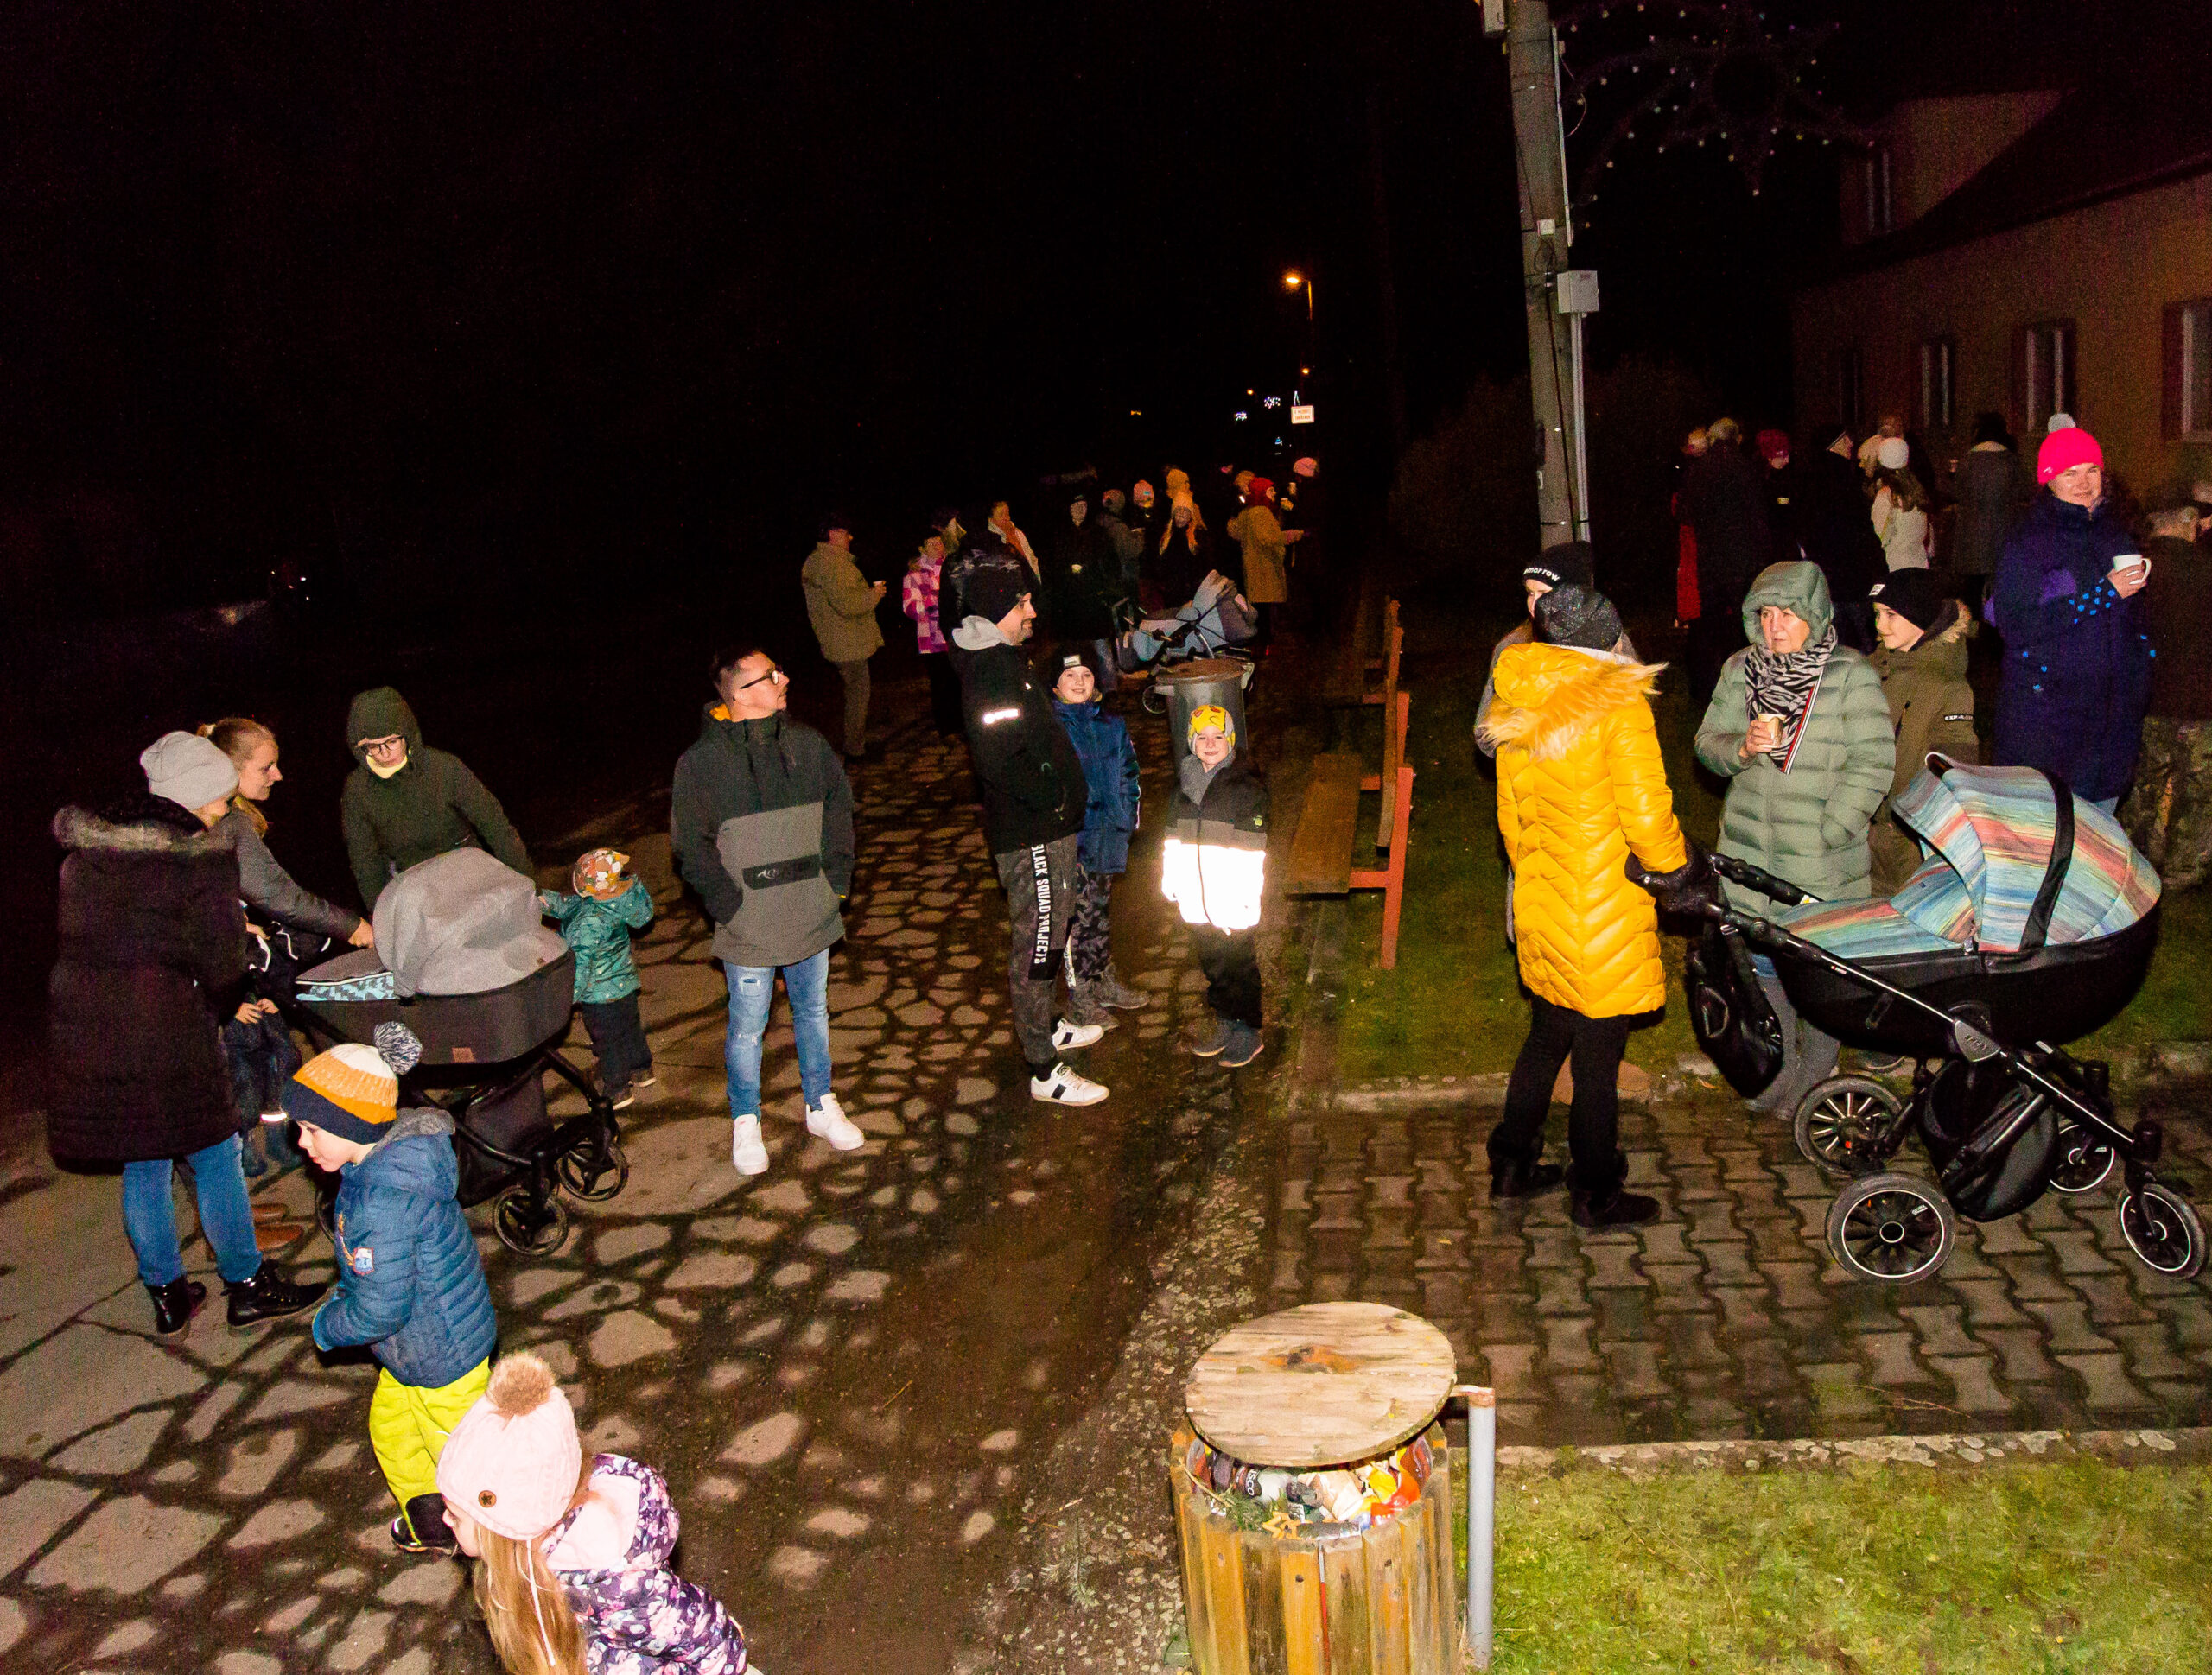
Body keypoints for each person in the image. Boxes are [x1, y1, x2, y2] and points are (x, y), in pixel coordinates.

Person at [48, 732, 327, 1336]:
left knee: (144, 1161)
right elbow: (222, 969)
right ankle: (247, 1285)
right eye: (220, 798)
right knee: (216, 1152)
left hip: (93, 1034)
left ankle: (169, 1295)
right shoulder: (196, 863)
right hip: (166, 1033)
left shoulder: (85, 860)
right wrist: (244, 942)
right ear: (196, 795)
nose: (225, 810)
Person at [1479, 586, 1694, 1228]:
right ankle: (1597, 1191)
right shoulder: (1617, 705)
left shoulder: (1519, 696)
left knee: (1547, 1036)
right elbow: (1646, 813)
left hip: (1545, 893)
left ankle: (1512, 1166)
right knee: (1598, 1058)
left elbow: (1511, 817)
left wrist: (1536, 872)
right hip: (1603, 903)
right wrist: (1676, 869)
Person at [281, 1024, 497, 1555]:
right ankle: (433, 1522)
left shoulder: (383, 1200)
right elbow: (379, 1276)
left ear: (352, 1124)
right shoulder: (376, 1169)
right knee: (394, 1429)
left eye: (311, 1129)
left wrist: (328, 1324)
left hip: (441, 1358)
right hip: (414, 1349)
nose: (302, 1143)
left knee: (468, 1464)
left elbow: (380, 1308)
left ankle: (504, 1546)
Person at [1695, 562, 1894, 1117]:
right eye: (1765, 614)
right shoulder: (1741, 669)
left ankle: (1815, 1072)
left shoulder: (1850, 675)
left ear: (1815, 615)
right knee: (1763, 967)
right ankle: (1782, 1069)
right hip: (1750, 853)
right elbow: (1706, 743)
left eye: (1787, 614)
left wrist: (1832, 831)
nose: (1775, 626)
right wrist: (1740, 747)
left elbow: (1874, 762)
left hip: (1819, 859)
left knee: (1816, 972)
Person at [671, 645, 868, 1176]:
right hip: (750, 924)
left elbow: (840, 813)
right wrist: (730, 907)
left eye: (778, 670)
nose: (784, 679)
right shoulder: (701, 763)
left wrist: (835, 887)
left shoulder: (807, 743)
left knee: (813, 1013)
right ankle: (746, 1118)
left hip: (810, 909)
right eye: (770, 675)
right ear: (738, 694)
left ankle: (820, 1104)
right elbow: (691, 848)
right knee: (747, 1027)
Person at [435, 1352, 751, 1675]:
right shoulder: (529, 1556)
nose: (444, 1519)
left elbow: (713, 1643)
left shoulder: (616, 1587)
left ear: (502, 1528)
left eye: (456, 1515)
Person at [950, 555, 1110, 1106]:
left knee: (1053, 932)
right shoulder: (990, 671)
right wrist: (1053, 797)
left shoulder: (1005, 659)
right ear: (999, 609)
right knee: (1038, 945)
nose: (1032, 611)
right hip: (1031, 834)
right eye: (1023, 603)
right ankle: (1044, 1069)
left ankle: (1048, 1026)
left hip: (1046, 828)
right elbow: (999, 759)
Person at [201, 717, 375, 1185]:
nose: (278, 776)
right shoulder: (226, 823)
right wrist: (352, 926)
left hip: (231, 972)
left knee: (275, 1058)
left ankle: (276, 1149)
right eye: (266, 767)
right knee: (231, 1080)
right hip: (208, 983)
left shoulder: (230, 820)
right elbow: (281, 896)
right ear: (229, 771)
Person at [1991, 426, 2152, 815]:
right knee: (2051, 834)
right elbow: (2015, 626)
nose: (2084, 482)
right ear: (2048, 480)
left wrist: (2142, 665)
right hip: (2050, 721)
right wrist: (2103, 594)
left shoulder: (2116, 533)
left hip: (2111, 723)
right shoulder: (2028, 541)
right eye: (2070, 473)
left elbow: (2132, 623)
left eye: (2092, 470)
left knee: (2098, 833)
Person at [341, 688, 533, 913]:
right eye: (373, 746)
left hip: (465, 866)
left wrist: (528, 883)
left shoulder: (444, 768)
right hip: (412, 883)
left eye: (391, 741)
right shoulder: (357, 790)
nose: (384, 753)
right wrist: (380, 914)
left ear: (406, 734)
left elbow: (495, 825)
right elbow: (365, 861)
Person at [1161, 704, 1268, 1068]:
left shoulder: (1246, 788)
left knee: (1239, 965)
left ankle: (1248, 1028)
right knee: (1213, 963)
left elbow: (1253, 852)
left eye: (1218, 736)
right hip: (1196, 897)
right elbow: (1172, 839)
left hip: (1231, 899)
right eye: (1202, 738)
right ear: (1191, 743)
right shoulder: (1183, 786)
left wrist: (1246, 897)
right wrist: (1171, 878)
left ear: (1231, 741)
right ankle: (1225, 1019)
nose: (1210, 744)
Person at [2120, 485, 2212, 890]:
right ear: (2190, 522)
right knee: (2199, 794)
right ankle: (2182, 869)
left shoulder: (2132, 573)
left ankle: (2124, 858)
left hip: (2147, 698)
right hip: (2199, 703)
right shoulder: (2205, 570)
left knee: (2142, 785)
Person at [1866, 570, 1980, 896]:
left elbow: (1954, 776)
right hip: (1862, 835)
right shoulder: (1870, 670)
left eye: (1891, 615)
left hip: (1908, 844)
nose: (1880, 625)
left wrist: (1902, 825)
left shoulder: (1948, 687)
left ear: (1921, 618)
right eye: (1877, 614)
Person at [1049, 650, 1146, 1025]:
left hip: (1109, 836)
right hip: (1074, 842)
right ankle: (1081, 996)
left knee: (1100, 913)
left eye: (1087, 675)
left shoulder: (1111, 724)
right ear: (1055, 685)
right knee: (1078, 921)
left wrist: (1127, 818)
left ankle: (1103, 978)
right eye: (1070, 675)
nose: (1079, 682)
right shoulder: (1051, 730)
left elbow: (1128, 773)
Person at [540, 849, 656, 1109]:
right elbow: (570, 906)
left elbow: (581, 964)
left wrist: (567, 997)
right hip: (624, 986)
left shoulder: (589, 922)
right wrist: (539, 899)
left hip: (599, 995)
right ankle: (642, 1069)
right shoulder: (611, 901)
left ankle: (617, 1088)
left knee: (608, 1042)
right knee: (630, 1028)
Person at [1680, 417, 1773, 710]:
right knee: (1744, 624)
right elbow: (1758, 515)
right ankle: (1749, 683)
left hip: (1710, 560)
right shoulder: (1746, 467)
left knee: (1709, 626)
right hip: (1742, 560)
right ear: (1737, 438)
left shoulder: (1700, 469)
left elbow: (1686, 512)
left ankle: (1708, 687)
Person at [800, 517, 886, 762]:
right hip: (848, 644)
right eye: (846, 533)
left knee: (854, 692)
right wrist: (875, 594)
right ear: (833, 534)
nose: (850, 538)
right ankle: (855, 749)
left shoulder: (816, 560)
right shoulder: (833, 564)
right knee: (858, 694)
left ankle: (855, 743)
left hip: (836, 640)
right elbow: (849, 605)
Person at [1796, 430, 1886, 653]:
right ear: (1832, 444)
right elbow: (1861, 528)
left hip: (1827, 576)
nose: (1850, 443)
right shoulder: (1845, 476)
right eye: (1844, 439)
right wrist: (1877, 564)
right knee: (1867, 642)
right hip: (1854, 576)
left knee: (1834, 644)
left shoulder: (1807, 477)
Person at [1950, 413, 2024, 618]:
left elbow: (1957, 492)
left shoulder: (1967, 461)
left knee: (1972, 590)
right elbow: (2022, 492)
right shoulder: (2010, 461)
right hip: (2003, 531)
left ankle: (1973, 625)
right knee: (2001, 585)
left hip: (1971, 535)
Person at [1044, 487, 1119, 676]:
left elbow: (1111, 565)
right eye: (1076, 507)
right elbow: (1051, 569)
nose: (1080, 511)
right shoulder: (1060, 535)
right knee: (1072, 652)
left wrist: (1102, 587)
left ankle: (1109, 687)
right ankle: (1074, 685)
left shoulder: (1098, 533)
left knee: (1101, 649)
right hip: (1069, 606)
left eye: (1084, 506)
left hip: (1094, 602)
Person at [1224, 476, 1299, 648]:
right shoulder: (1261, 512)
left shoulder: (1248, 511)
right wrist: (1293, 535)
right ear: (1262, 493)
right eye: (1270, 490)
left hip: (1253, 565)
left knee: (1259, 606)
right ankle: (1265, 643)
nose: (1274, 493)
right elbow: (1269, 539)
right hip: (1264, 566)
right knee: (1265, 608)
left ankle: (1260, 641)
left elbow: (1235, 532)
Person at [902, 530, 963, 735]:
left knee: (957, 681)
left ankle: (960, 725)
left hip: (955, 635)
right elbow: (910, 608)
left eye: (940, 542)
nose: (938, 546)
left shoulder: (952, 568)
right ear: (922, 548)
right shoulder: (914, 575)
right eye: (932, 543)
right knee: (940, 684)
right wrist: (933, 600)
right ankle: (946, 728)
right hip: (931, 638)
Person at [1870, 437, 1931, 571]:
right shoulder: (1916, 491)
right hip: (1919, 563)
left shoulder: (1887, 496)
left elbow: (1879, 537)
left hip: (1895, 567)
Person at [1153, 498, 1215, 606]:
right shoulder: (1166, 537)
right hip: (1172, 593)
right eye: (1178, 510)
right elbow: (1161, 565)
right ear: (1173, 513)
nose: (1181, 513)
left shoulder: (1198, 536)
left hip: (1192, 593)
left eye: (1185, 510)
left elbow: (1205, 564)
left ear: (1190, 514)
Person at [1756, 428, 1803, 563]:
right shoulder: (1760, 481)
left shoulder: (1786, 476)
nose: (1787, 460)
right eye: (1783, 455)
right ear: (1770, 455)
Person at [987, 498, 1040, 577]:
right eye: (1001, 515)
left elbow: (1032, 559)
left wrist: (1037, 578)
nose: (1007, 518)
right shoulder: (991, 540)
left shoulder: (1017, 533)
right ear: (991, 520)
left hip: (1030, 579)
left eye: (1007, 514)